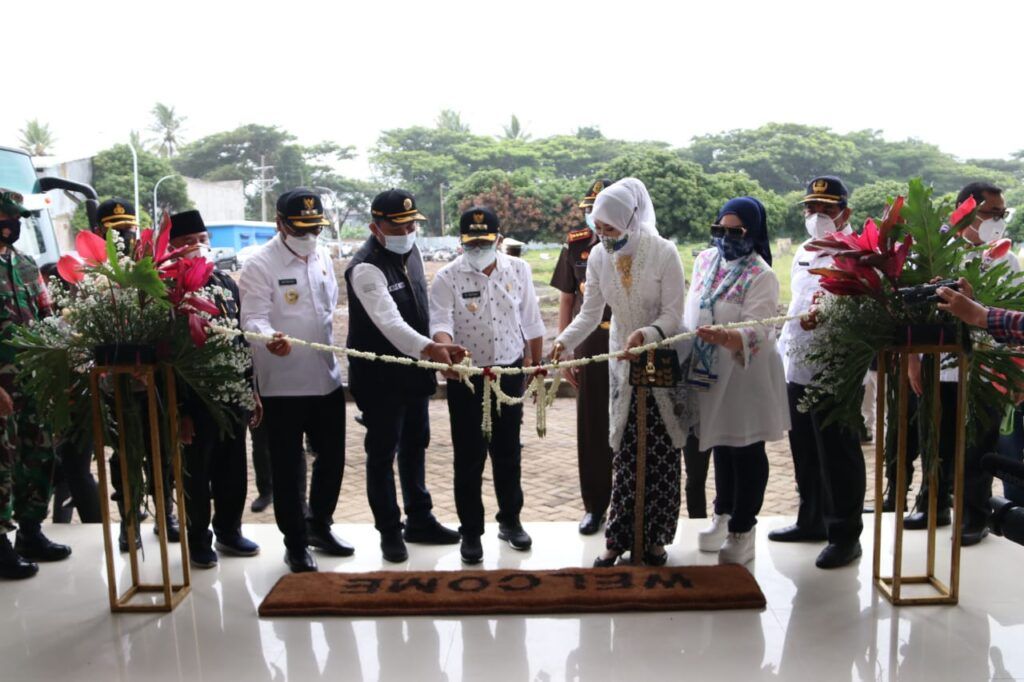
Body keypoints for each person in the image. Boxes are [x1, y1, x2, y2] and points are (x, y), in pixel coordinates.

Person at [552, 178, 691, 567]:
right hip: (621, 360)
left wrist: (646, 334)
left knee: (661, 450)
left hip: (657, 354)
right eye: (598, 229)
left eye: (609, 230)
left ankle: (656, 540)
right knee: (627, 451)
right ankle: (617, 538)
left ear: (630, 220)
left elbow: (673, 314)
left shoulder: (664, 253)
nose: (603, 237)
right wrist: (563, 342)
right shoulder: (598, 257)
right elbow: (590, 312)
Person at [345, 189, 463, 562]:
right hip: (379, 378)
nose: (408, 230)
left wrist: (435, 347)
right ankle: (389, 531)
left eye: (412, 223)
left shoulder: (410, 252)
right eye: (399, 225)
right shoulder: (365, 267)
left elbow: (422, 307)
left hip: (415, 373)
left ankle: (420, 518)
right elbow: (390, 324)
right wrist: (433, 350)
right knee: (383, 453)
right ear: (375, 227)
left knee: (416, 444)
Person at [240, 188, 351, 573]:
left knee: (332, 459)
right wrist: (268, 337)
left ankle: (319, 524)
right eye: (300, 228)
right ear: (280, 224)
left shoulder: (321, 253)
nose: (308, 235)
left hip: (326, 379)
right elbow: (251, 318)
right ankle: (296, 543)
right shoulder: (260, 265)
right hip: (282, 386)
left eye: (314, 227)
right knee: (288, 468)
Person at [429, 206, 545, 564]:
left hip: (509, 372)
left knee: (508, 451)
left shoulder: (519, 270)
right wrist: (446, 347)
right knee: (469, 456)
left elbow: (532, 320)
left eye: (484, 240)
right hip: (468, 378)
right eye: (471, 241)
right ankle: (471, 533)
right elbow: (440, 322)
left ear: (498, 238)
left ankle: (510, 521)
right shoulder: (447, 277)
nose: (478, 247)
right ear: (462, 241)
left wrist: (534, 364)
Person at [686, 196, 789, 565]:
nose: (726, 237)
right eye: (720, 229)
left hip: (746, 374)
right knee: (721, 444)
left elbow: (759, 328)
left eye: (736, 231)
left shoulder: (762, 274)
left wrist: (725, 337)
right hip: (710, 372)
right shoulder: (704, 261)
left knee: (745, 449)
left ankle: (743, 529)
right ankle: (723, 515)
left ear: (753, 231)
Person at [772, 176, 867, 569]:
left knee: (838, 453)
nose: (816, 216)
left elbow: (863, 308)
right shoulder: (805, 250)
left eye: (826, 209)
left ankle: (845, 535)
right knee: (805, 450)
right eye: (811, 209)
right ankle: (811, 520)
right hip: (798, 363)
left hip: (836, 367)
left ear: (844, 212)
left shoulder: (859, 253)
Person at [168, 210, 261, 568]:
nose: (197, 247)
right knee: (196, 471)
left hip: (231, 394)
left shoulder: (225, 282)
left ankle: (229, 530)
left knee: (233, 468)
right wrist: (180, 410)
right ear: (172, 247)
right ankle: (198, 539)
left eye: (202, 239)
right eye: (188, 242)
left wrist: (251, 389)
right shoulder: (165, 289)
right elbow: (167, 356)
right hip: (193, 398)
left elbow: (242, 339)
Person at [95, 198, 178, 550]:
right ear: (101, 233)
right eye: (116, 231)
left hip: (155, 382)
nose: (124, 237)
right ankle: (128, 523)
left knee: (162, 449)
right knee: (124, 456)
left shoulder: (154, 268)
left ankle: (166, 514)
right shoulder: (91, 272)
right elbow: (83, 328)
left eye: (128, 230)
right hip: (115, 385)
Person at [0, 189, 71, 579]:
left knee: (40, 457)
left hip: (33, 384)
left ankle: (31, 533)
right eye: (8, 218)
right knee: (2, 467)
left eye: (17, 220)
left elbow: (47, 320)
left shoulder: (26, 265)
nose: (15, 226)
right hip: (2, 391)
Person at [550, 178, 616, 535]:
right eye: (589, 210)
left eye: (600, 209)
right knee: (591, 427)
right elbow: (566, 301)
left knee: (629, 425)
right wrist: (565, 352)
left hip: (628, 346)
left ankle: (628, 500)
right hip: (589, 345)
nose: (593, 216)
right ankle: (595, 506)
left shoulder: (639, 245)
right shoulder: (576, 247)